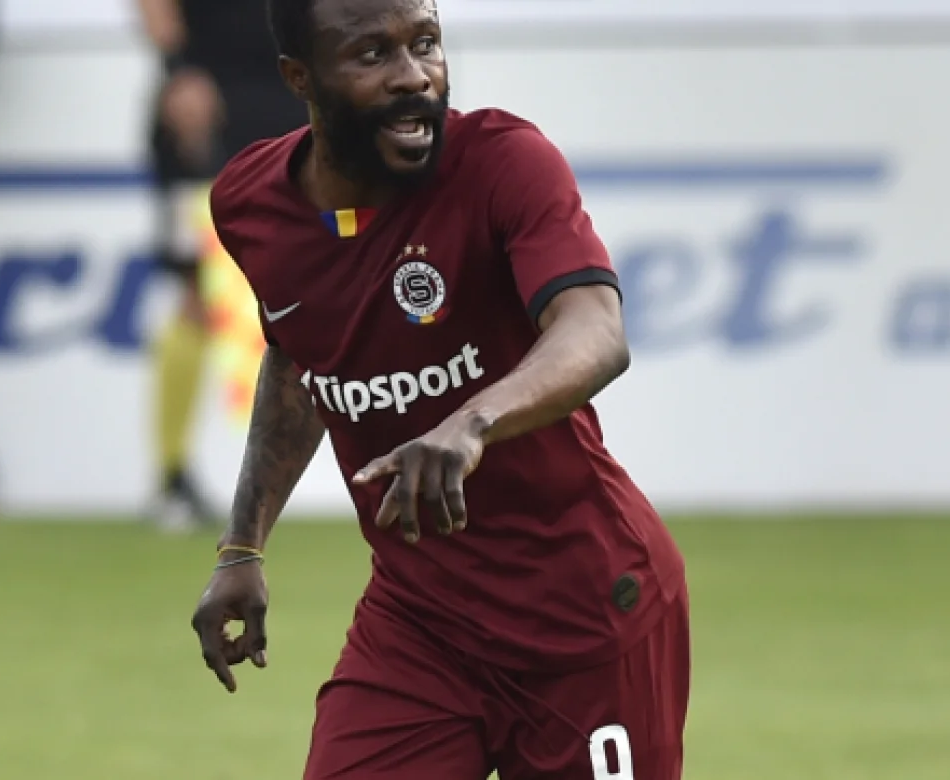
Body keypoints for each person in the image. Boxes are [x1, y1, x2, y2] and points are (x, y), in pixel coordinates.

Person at [189, 0, 690, 777]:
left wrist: (472, 421)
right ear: (300, 77)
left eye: (425, 43)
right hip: (421, 628)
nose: (413, 76)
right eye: (373, 55)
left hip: (585, 618)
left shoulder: (503, 163)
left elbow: (595, 328)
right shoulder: (250, 202)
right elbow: (295, 360)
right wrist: (242, 547)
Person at [135, 0, 311, 530]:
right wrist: (178, 70)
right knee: (198, 297)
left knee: (327, 288)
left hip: (294, 107)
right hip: (207, 109)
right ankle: (173, 476)